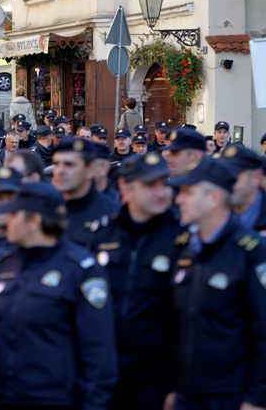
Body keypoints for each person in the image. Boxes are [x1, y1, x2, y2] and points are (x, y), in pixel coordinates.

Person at [0, 181, 118, 410]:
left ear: (34, 220)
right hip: (3, 398)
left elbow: (98, 351)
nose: (7, 221)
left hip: (53, 398)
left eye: (14, 214)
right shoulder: (5, 264)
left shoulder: (79, 269)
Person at [167, 157, 266, 410]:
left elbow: (263, 331)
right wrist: (172, 388)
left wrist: (256, 398)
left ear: (213, 198)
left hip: (230, 396)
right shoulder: (184, 249)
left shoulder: (252, 252)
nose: (178, 200)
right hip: (186, 394)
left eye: (188, 193)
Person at [89, 153, 183, 410]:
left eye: (164, 184)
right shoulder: (103, 234)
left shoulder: (181, 239)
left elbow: (188, 320)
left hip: (157, 372)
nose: (161, 192)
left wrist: (177, 385)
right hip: (105, 368)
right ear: (125, 188)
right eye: (150, 185)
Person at [52, 138, 119, 246]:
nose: (60, 171)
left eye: (69, 164)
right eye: (56, 164)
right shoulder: (44, 208)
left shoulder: (114, 214)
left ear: (90, 170)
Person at [219, 144, 266, 233]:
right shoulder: (213, 211)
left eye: (233, 179)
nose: (225, 184)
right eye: (222, 176)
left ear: (256, 178)